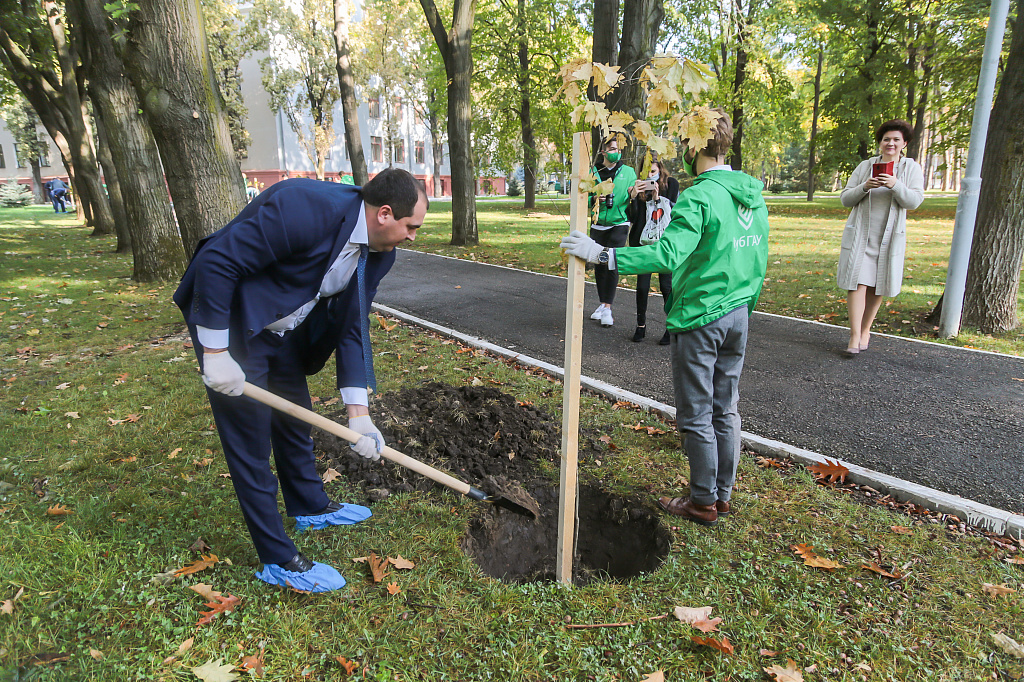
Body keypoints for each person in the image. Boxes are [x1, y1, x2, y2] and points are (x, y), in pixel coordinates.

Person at [173, 168, 428, 592]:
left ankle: (309, 505)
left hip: (285, 323)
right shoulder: (305, 208)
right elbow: (218, 262)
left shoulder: (380, 253)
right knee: (250, 439)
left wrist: (359, 415)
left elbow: (351, 325)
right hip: (234, 317)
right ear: (385, 214)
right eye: (411, 226)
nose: (413, 236)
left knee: (295, 414)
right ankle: (277, 558)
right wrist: (216, 352)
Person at [561, 110, 769, 527]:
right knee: (725, 408)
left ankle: (703, 501)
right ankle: (722, 496)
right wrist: (744, 307)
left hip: (701, 316)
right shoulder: (751, 194)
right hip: (738, 315)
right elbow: (758, 259)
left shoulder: (700, 195)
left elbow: (666, 254)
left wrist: (602, 254)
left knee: (695, 412)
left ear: (694, 147)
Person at [838, 119, 924, 356]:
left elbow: (914, 201)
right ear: (880, 142)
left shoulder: (911, 169)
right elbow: (845, 199)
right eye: (887, 139)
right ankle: (854, 335)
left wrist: (895, 185)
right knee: (857, 282)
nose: (891, 143)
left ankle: (866, 330)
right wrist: (865, 186)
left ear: (904, 143)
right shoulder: (866, 166)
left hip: (889, 238)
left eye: (896, 139)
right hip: (861, 236)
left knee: (877, 285)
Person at [627, 159, 679, 344]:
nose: (650, 175)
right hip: (643, 243)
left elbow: (673, 211)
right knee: (642, 286)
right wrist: (633, 196)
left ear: (660, 169)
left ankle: (671, 328)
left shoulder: (671, 184)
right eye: (647, 172)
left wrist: (657, 198)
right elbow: (631, 218)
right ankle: (641, 325)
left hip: (664, 242)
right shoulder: (638, 187)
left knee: (666, 286)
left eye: (654, 171)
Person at [588, 137, 638, 328]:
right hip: (598, 224)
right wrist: (595, 200)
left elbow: (634, 199)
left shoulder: (628, 172)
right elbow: (584, 198)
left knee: (611, 262)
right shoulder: (594, 172)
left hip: (619, 223)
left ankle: (608, 308)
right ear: (603, 152)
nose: (616, 152)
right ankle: (602, 303)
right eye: (612, 148)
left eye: (618, 149)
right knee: (599, 263)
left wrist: (634, 195)